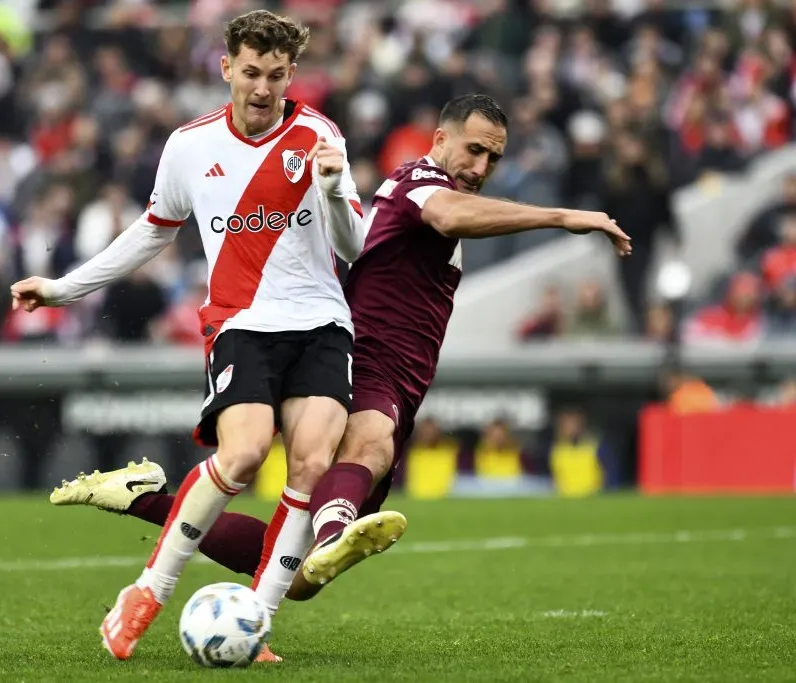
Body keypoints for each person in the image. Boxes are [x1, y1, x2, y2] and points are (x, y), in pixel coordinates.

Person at [50, 93, 632, 649]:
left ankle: (144, 498)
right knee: (368, 446)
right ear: (440, 140)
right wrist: (564, 216)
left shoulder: (440, 189)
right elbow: (452, 217)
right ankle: (331, 531)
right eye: (474, 150)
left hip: (405, 381)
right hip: (367, 357)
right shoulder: (418, 183)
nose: (482, 166)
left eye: (494, 157)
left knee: (300, 579)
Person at [10, 10, 370, 662]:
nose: (263, 87)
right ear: (227, 67)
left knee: (311, 465)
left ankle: (254, 622)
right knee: (243, 456)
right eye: (252, 72)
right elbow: (152, 231)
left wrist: (336, 185)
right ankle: (147, 590)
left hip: (321, 322)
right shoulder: (190, 145)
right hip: (240, 324)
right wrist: (64, 288)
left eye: (277, 74)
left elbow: (354, 245)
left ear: (293, 75)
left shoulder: (319, 136)